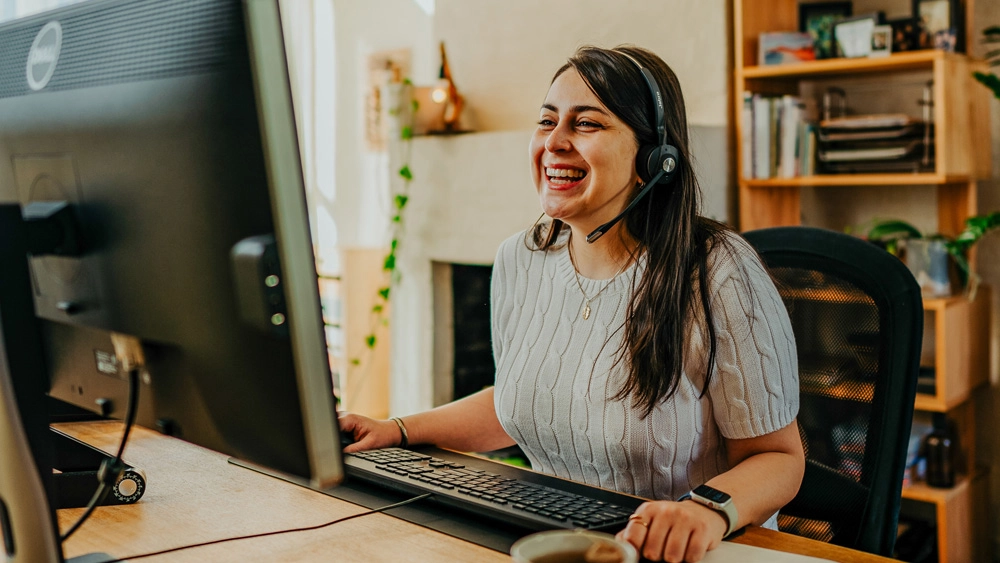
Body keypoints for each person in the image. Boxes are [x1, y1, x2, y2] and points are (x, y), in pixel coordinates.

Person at [339, 45, 804, 563]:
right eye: (546, 121)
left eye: (586, 124)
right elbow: (526, 398)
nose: (554, 142)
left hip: (693, 551)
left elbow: (779, 458)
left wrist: (707, 511)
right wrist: (397, 430)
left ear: (653, 157)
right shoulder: (521, 258)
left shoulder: (716, 270)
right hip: (564, 544)